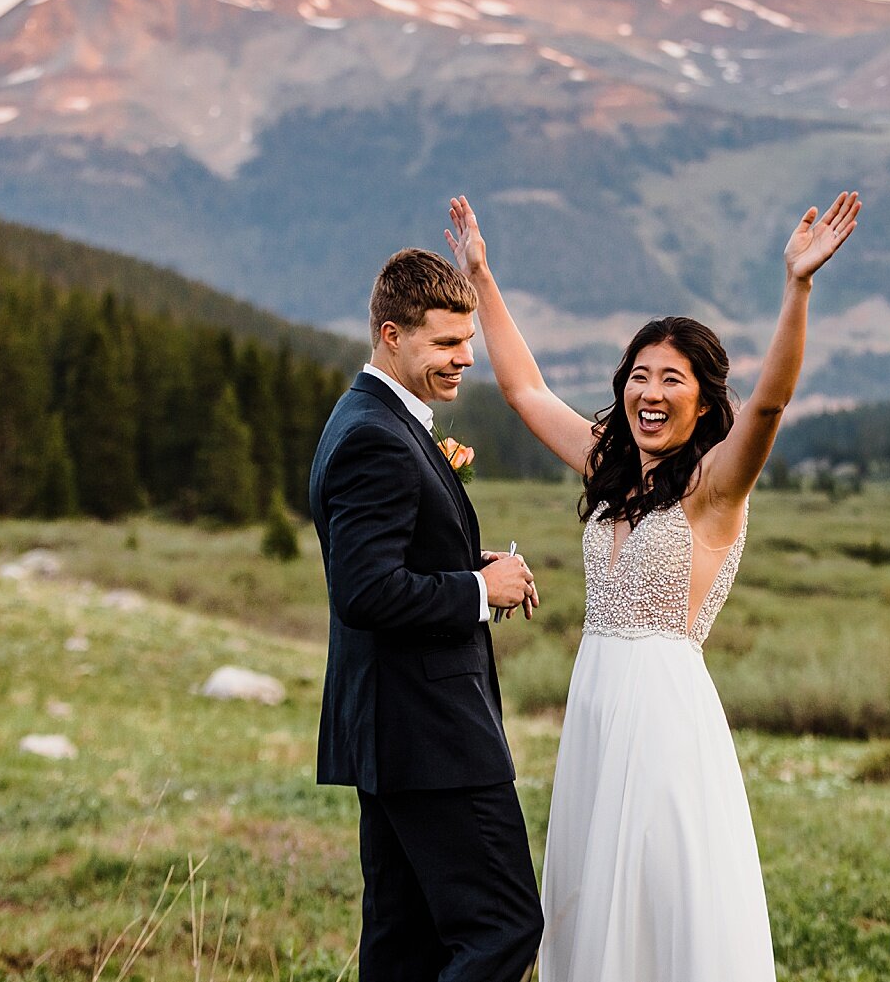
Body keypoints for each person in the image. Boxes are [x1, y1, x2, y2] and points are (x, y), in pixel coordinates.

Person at [445, 190, 861, 981]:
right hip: (597, 709)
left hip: (667, 721)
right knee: (592, 902)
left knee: (662, 901)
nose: (650, 393)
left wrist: (797, 288)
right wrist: (482, 278)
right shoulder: (607, 466)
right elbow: (527, 392)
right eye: (639, 376)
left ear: (702, 398)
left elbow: (770, 403)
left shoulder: (714, 486)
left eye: (672, 379)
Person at [308, 248, 544, 982]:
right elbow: (366, 590)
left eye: (467, 341)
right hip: (429, 732)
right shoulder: (376, 437)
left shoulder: (374, 416)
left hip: (397, 732)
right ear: (391, 334)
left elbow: (391, 563)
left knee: (403, 941)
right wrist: (481, 591)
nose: (464, 358)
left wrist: (473, 571)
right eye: (446, 342)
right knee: (505, 927)